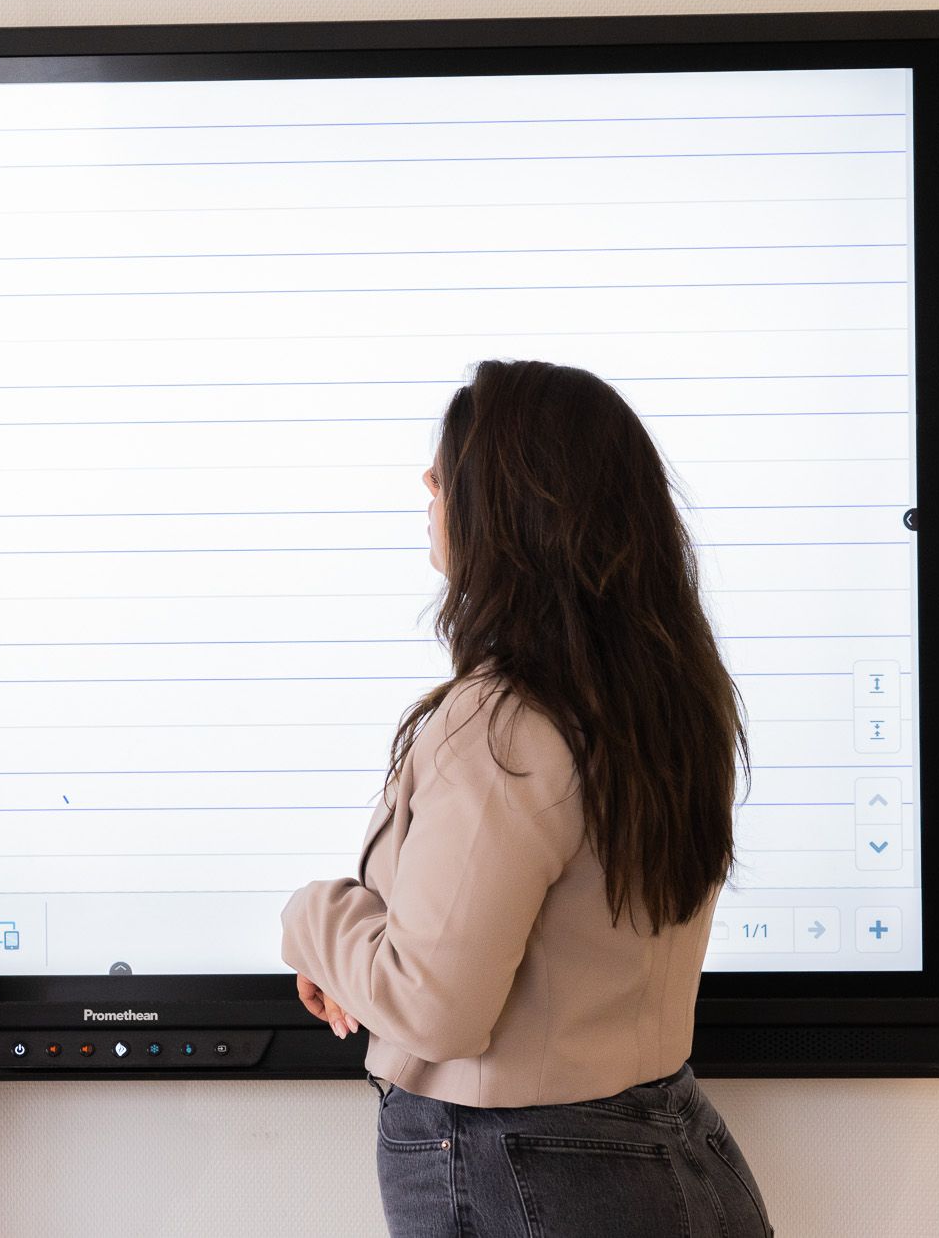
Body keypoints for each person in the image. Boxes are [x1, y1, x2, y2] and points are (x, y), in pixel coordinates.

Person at [282, 359, 774, 1238]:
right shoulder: (665, 699)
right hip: (678, 1149)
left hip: (527, 1171)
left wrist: (311, 917)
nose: (428, 484)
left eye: (450, 468)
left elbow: (436, 1005)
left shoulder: (504, 724)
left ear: (515, 507)